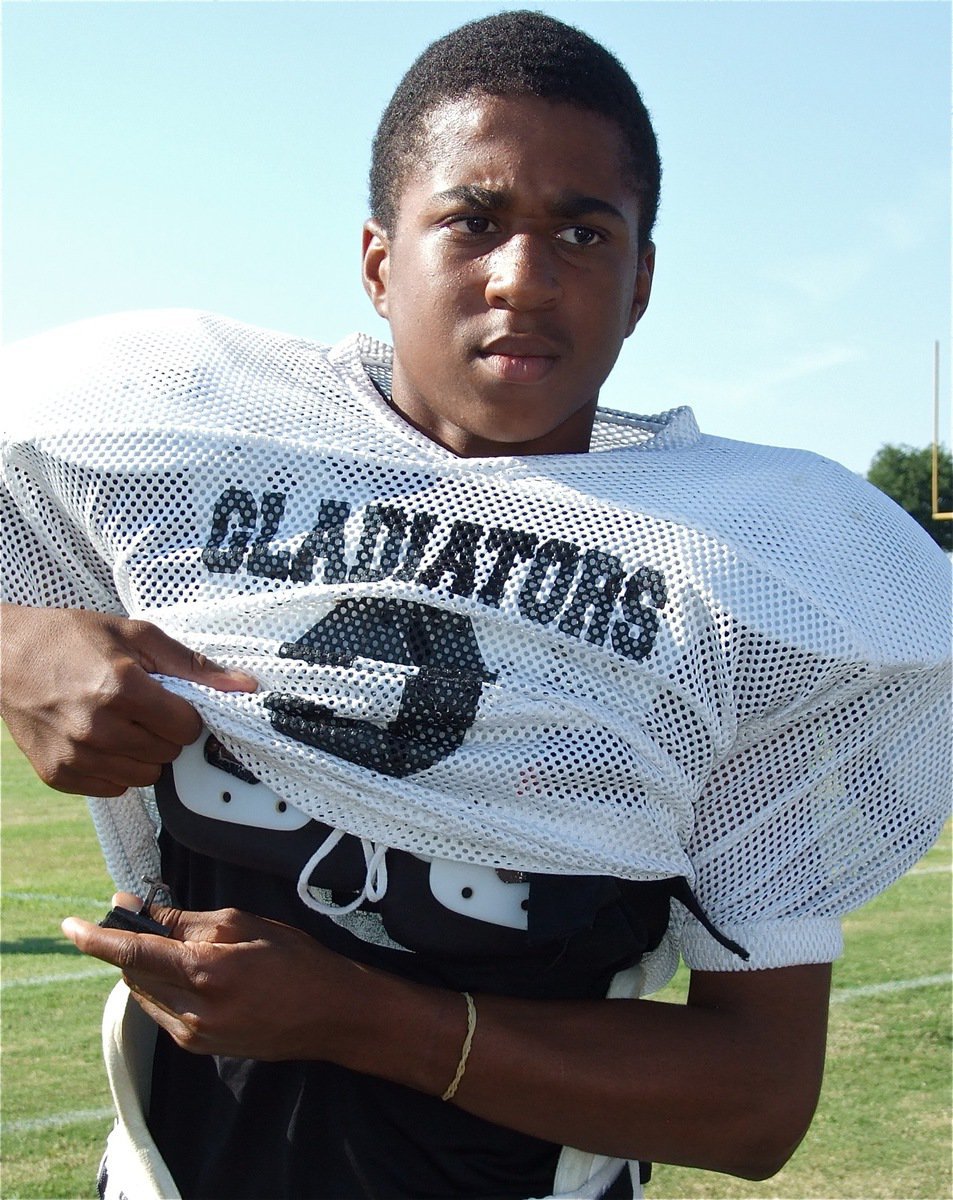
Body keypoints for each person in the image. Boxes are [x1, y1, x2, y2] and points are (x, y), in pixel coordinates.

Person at [1, 11, 949, 1200]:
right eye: (473, 219)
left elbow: (753, 1100)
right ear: (378, 259)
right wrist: (11, 642)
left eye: (581, 230)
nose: (525, 275)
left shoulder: (744, 592)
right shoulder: (186, 431)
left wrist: (354, 1016)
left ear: (640, 279)